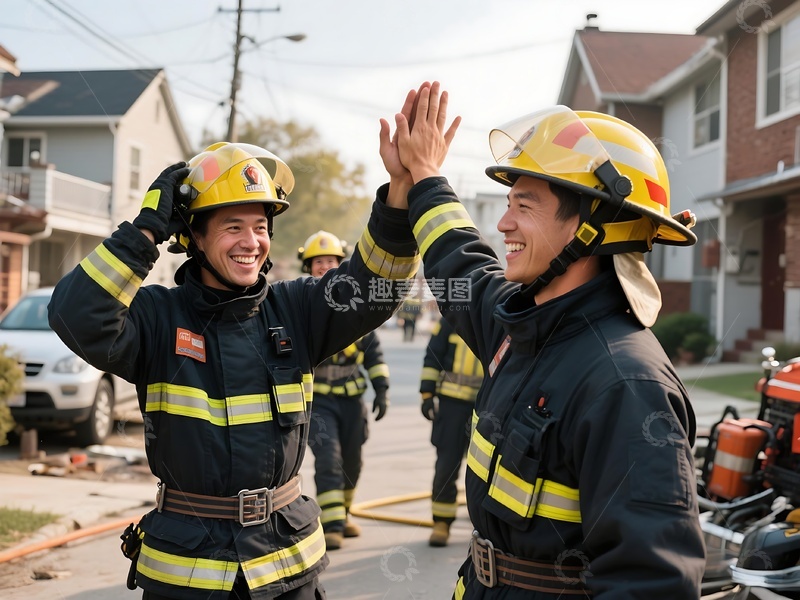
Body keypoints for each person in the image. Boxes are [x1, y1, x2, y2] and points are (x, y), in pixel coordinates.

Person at [47, 141, 419, 600]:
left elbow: (375, 286)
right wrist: (143, 233)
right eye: (233, 226)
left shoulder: (297, 309)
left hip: (287, 569)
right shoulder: (157, 318)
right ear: (194, 237)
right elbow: (74, 316)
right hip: (186, 579)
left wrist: (401, 191)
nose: (251, 242)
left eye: (261, 227)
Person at [378, 83, 706, 598]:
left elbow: (649, 583)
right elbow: (457, 261)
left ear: (594, 226)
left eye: (524, 206)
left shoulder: (625, 384)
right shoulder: (526, 330)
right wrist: (423, 176)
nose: (504, 223)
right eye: (508, 203)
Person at [297, 230, 390, 551]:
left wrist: (381, 388)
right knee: (328, 459)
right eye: (318, 262)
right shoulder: (299, 307)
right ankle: (331, 522)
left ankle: (344, 512)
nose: (325, 267)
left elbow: (373, 352)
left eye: (331, 262)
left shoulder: (355, 305)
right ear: (308, 268)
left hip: (352, 401)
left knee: (353, 461)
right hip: (318, 400)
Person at [419, 317, 483, 547]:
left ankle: (485, 526)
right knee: (447, 464)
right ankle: (442, 522)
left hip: (487, 407)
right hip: (451, 405)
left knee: (486, 470)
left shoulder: (501, 314)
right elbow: (433, 354)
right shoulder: (451, 319)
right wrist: (427, 394)